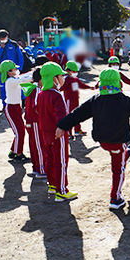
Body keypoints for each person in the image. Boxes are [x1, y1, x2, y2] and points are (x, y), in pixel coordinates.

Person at [56, 68, 130, 209]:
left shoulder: (95, 100)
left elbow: (77, 114)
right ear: (119, 83)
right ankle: (115, 198)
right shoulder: (124, 100)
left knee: (117, 155)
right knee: (118, 170)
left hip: (103, 141)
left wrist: (62, 126)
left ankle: (124, 154)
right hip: (118, 141)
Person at [37, 62, 77, 202]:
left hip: (45, 132)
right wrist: (64, 127)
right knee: (60, 161)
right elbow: (61, 116)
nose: (63, 79)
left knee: (49, 159)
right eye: (61, 76)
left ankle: (52, 185)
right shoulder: (57, 95)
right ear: (54, 78)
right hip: (57, 133)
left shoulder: (41, 94)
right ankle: (62, 190)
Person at [0, 60, 32, 162]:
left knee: (20, 130)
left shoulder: (14, 79)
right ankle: (18, 154)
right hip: (11, 108)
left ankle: (13, 151)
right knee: (19, 132)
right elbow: (24, 79)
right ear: (9, 72)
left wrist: (33, 71)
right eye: (14, 69)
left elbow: (22, 76)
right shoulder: (10, 81)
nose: (17, 70)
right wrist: (35, 73)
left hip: (17, 108)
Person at [20, 69, 46, 179]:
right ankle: (41, 169)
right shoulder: (37, 89)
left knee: (34, 145)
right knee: (39, 145)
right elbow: (36, 107)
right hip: (35, 121)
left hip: (32, 121)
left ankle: (36, 167)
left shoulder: (32, 87)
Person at [60, 60, 94, 137]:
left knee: (77, 114)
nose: (75, 72)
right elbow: (61, 88)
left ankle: (77, 130)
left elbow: (81, 85)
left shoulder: (75, 79)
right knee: (69, 115)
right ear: (68, 71)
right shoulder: (66, 79)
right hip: (69, 100)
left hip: (75, 99)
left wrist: (90, 87)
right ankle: (68, 132)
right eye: (74, 71)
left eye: (76, 71)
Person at [0, 29, 25, 110]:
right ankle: (5, 105)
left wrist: (19, 68)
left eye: (3, 37)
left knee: (18, 86)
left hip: (14, 69)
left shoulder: (14, 44)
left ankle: (23, 101)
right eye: (0, 38)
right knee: (3, 88)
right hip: (4, 71)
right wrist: (1, 48)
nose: (2, 39)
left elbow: (20, 57)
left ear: (7, 36)